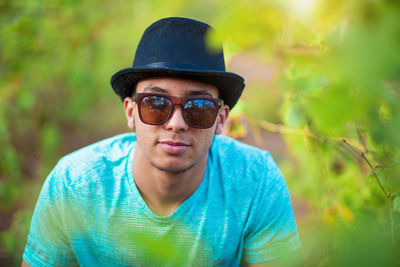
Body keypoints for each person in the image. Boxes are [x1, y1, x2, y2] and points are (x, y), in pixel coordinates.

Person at [22, 17, 301, 266]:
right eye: (155, 104)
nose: (176, 123)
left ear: (221, 119)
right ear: (131, 112)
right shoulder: (74, 185)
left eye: (199, 107)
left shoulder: (256, 180)